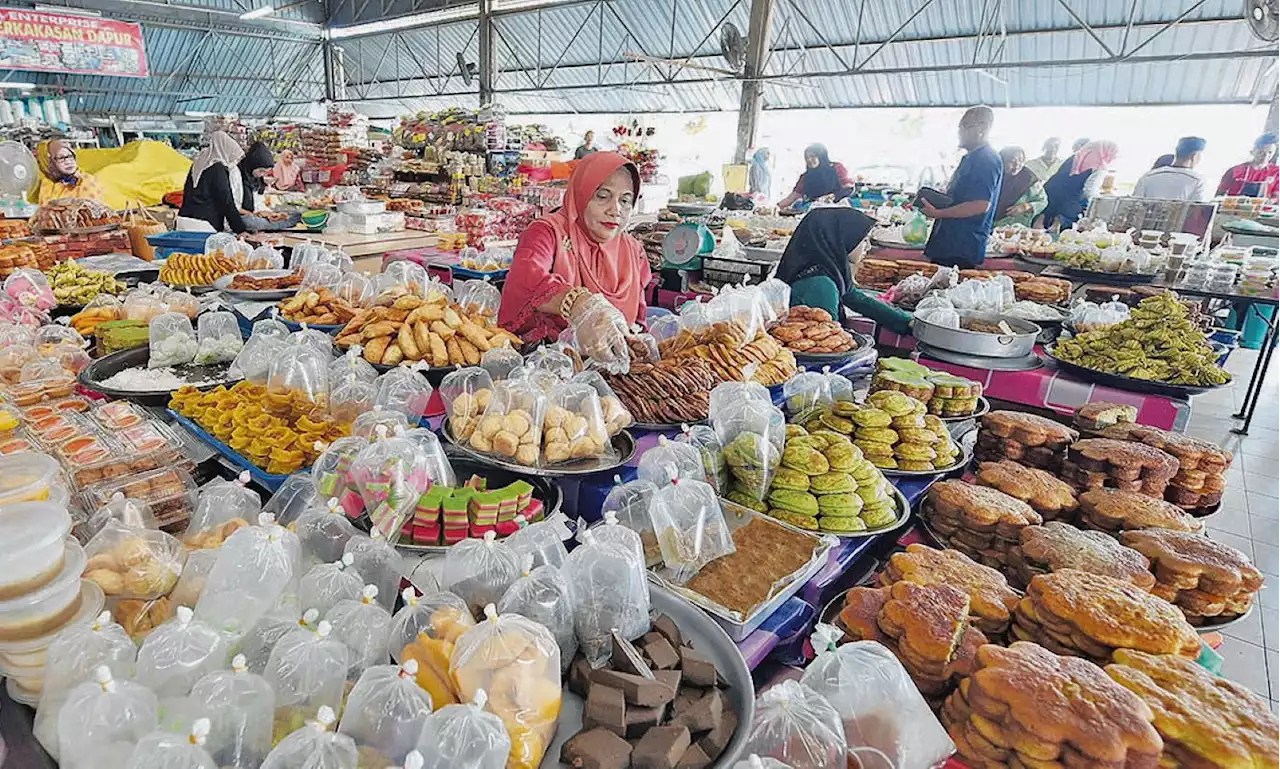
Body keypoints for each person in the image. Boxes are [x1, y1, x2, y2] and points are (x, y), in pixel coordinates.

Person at [498, 152, 651, 351]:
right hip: (546, 369)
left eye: (625, 200)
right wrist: (579, 304)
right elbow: (526, 277)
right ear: (581, 193)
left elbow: (638, 324)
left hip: (614, 371)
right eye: (602, 196)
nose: (615, 210)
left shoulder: (633, 251)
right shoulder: (547, 232)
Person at [920, 106, 1003, 268]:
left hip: (961, 247)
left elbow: (980, 205)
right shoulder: (972, 158)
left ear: (982, 128)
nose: (960, 132)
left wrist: (938, 213)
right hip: (948, 243)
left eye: (965, 126)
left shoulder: (986, 160)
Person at [773, 207, 875, 318]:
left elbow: (853, 296)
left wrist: (897, 321)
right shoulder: (820, 285)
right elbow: (828, 332)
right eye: (864, 240)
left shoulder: (828, 268)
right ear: (841, 238)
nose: (868, 247)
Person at [177, 131, 256, 233]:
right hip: (204, 225)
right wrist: (240, 230)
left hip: (186, 221)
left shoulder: (198, 164)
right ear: (225, 151)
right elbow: (226, 201)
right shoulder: (217, 169)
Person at [1037, 140, 1118, 229]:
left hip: (1050, 193)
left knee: (1043, 228)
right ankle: (1058, 223)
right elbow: (1089, 190)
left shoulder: (1077, 155)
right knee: (1068, 225)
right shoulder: (1099, 165)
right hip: (1069, 201)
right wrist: (1097, 202)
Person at [777, 144, 854, 209]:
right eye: (807, 157)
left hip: (837, 211)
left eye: (813, 156)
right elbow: (792, 197)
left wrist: (832, 196)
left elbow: (848, 188)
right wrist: (776, 207)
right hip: (815, 213)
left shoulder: (836, 168)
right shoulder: (805, 177)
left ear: (821, 156)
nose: (809, 160)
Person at [1131, 136, 1208, 201]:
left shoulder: (1148, 176)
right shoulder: (1197, 180)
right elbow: (1197, 212)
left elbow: (1134, 205)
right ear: (1194, 156)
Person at [32, 139, 106, 204]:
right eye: (61, 158)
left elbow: (89, 211)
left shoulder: (86, 181)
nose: (68, 162)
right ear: (49, 162)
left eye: (70, 156)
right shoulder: (47, 185)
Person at [992, 146, 1047, 228]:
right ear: (1002, 161)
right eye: (1012, 161)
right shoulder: (992, 176)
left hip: (1018, 230)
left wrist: (1025, 207)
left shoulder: (1029, 179)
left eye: (1021, 161)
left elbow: (1043, 202)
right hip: (990, 227)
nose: (1017, 164)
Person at [1217, 133, 1280, 197]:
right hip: (1234, 206)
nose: (1265, 156)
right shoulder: (1235, 171)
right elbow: (1219, 195)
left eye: (1270, 152)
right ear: (1253, 151)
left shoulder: (1277, 173)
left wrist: (1271, 200)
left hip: (1263, 206)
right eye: (1261, 152)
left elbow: (1276, 196)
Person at [239, 141, 274, 211]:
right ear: (252, 164)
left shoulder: (256, 178)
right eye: (261, 171)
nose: (262, 175)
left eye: (266, 172)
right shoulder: (239, 177)